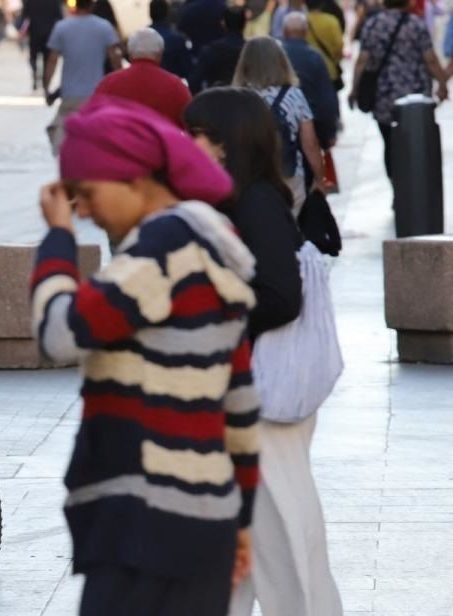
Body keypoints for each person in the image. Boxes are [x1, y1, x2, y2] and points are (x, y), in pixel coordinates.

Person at [30, 99, 259, 615]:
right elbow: (240, 407)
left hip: (143, 520)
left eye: (86, 193)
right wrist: (241, 519)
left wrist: (58, 240)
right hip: (205, 520)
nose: (83, 210)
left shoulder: (161, 247)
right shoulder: (212, 250)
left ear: (132, 178)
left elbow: (61, 333)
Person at [185, 87, 344, 616]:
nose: (187, 144)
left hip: (263, 398)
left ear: (228, 144)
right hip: (251, 395)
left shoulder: (256, 204)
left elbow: (280, 297)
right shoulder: (244, 200)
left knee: (282, 542)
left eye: (198, 135)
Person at [350, 0, 449, 178]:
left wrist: (354, 89)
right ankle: (416, 183)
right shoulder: (416, 24)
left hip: (384, 96)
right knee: (417, 142)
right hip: (416, 97)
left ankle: (397, 186)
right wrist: (442, 84)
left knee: (389, 143)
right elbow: (430, 59)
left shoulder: (373, 24)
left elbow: (362, 61)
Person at [232, 36, 326, 213]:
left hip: (250, 179)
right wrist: (319, 180)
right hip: (289, 174)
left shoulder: (236, 97)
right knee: (292, 227)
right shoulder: (294, 95)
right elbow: (310, 143)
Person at [43, 0, 123, 154]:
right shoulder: (104, 26)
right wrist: (119, 83)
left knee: (64, 137)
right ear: (92, 5)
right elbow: (115, 57)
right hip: (96, 95)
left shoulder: (62, 27)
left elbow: (52, 60)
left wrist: (47, 88)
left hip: (70, 95)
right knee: (95, 139)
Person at [93, 28, 192, 127]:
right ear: (160, 55)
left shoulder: (108, 83)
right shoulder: (175, 86)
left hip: (118, 141)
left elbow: (93, 120)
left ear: (130, 54)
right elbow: (190, 123)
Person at [282, 13, 340, 149]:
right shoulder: (314, 57)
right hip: (311, 123)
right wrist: (330, 132)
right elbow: (326, 97)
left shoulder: (276, 54)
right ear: (305, 32)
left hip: (281, 124)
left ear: (284, 32)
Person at [189, 7, 248, 93]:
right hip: (244, 101)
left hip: (214, 99)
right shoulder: (250, 50)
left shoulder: (211, 49)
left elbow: (194, 82)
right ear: (245, 23)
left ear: (223, 23)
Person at [22, 0, 64, 91]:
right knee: (46, 59)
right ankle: (45, 83)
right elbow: (60, 17)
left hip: (34, 33)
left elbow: (25, 16)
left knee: (33, 58)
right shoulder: (54, 1)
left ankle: (35, 77)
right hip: (49, 34)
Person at [304, 0, 344, 90]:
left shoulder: (302, 20)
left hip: (307, 70)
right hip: (329, 70)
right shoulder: (332, 21)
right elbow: (339, 47)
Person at [150, 0, 193, 79]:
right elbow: (188, 70)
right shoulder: (178, 39)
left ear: (150, 14)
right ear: (167, 13)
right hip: (175, 84)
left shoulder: (144, 39)